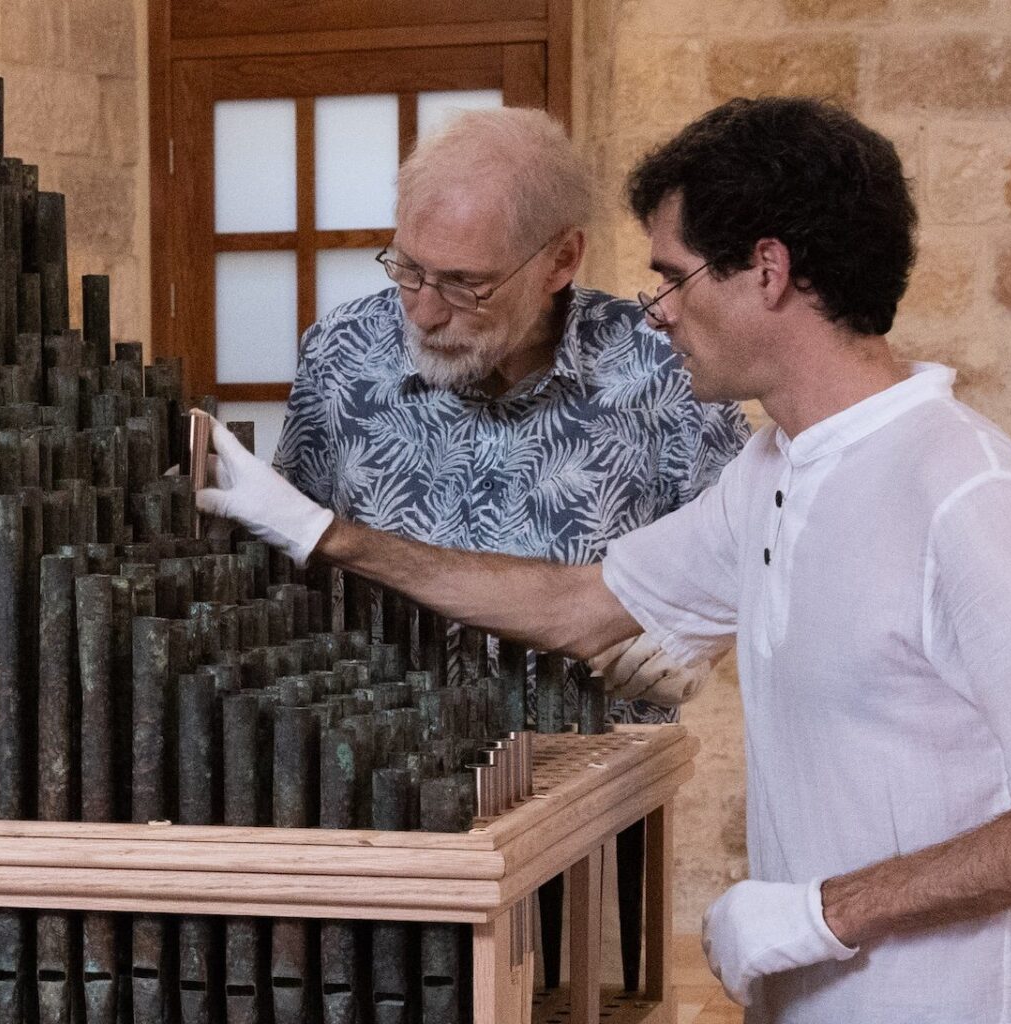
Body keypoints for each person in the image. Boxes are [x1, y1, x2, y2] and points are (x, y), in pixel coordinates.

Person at [202, 97, 1011, 1023]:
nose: (656, 310)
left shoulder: (960, 490)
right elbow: (584, 604)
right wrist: (318, 532)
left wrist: (822, 912)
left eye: (672, 276)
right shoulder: (772, 471)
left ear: (765, 271)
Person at [271, 106, 749, 715]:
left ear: (560, 260)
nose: (421, 313)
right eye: (409, 269)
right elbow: (291, 556)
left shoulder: (665, 365)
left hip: (596, 776)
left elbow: (745, 552)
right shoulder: (341, 353)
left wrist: (702, 638)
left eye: (463, 284)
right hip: (380, 771)